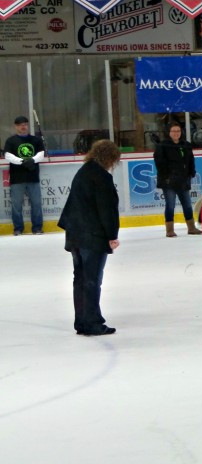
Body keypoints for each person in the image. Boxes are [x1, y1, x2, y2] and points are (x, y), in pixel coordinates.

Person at [57, 140, 121, 336]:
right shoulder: (101, 177)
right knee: (92, 280)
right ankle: (92, 322)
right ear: (110, 158)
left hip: (75, 235)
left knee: (81, 279)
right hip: (91, 236)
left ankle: (82, 321)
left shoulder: (83, 171)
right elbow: (106, 210)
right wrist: (112, 235)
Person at [154, 123, 199, 238]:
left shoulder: (186, 145)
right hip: (169, 181)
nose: (176, 133)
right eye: (173, 131)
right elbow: (159, 163)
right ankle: (170, 230)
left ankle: (191, 228)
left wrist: (191, 173)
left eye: (178, 131)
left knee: (187, 205)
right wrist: (166, 176)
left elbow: (190, 160)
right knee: (170, 205)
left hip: (183, 180)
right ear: (169, 132)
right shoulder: (162, 145)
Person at [4, 115, 46, 235]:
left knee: (37, 203)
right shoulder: (11, 141)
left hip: (33, 177)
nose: (24, 127)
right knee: (16, 205)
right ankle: (18, 228)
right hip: (17, 178)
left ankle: (37, 227)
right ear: (16, 126)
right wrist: (23, 161)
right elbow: (8, 155)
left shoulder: (35, 140)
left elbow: (41, 154)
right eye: (21, 125)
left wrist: (32, 160)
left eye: (25, 124)